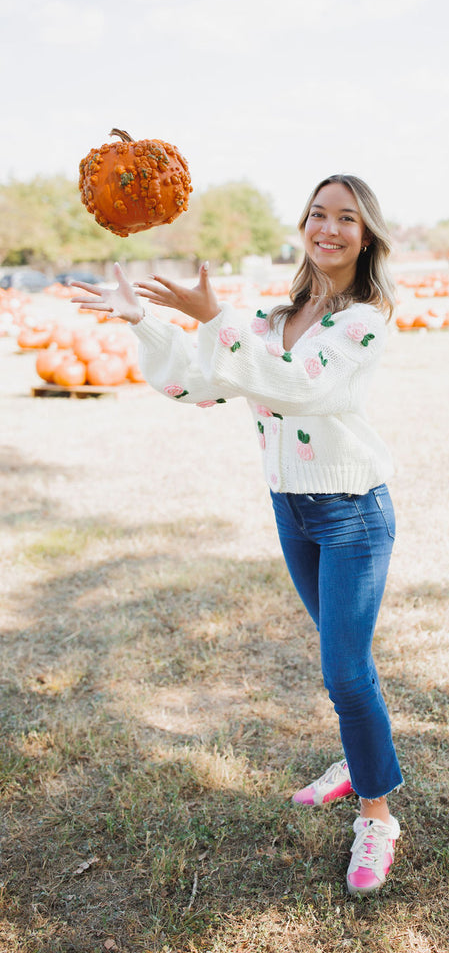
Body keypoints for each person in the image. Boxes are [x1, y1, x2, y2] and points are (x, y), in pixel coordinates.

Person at [71, 174, 403, 896]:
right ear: (303, 224)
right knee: (349, 665)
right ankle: (359, 756)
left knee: (344, 672)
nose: (329, 228)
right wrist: (143, 322)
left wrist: (215, 313)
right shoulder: (270, 314)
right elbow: (200, 382)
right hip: (293, 509)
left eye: (347, 218)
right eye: (318, 213)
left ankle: (377, 816)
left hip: (352, 513)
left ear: (367, 235)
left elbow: (299, 385)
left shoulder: (364, 320)